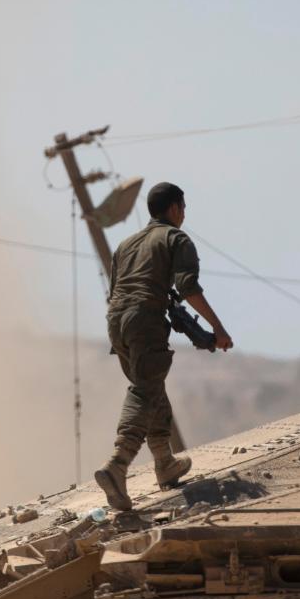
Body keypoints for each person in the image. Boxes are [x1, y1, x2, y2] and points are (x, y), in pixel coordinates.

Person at [95, 182, 233, 511]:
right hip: (144, 319)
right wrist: (218, 328)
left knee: (151, 386)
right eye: (183, 208)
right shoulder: (176, 238)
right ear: (174, 209)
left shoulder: (125, 244)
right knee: (145, 390)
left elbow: (117, 291)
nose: (184, 215)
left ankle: (164, 462)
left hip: (117, 323)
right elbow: (187, 287)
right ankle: (118, 464)